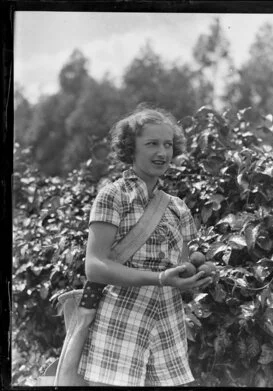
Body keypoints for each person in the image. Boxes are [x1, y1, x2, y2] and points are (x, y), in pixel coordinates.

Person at [77, 107, 213, 387]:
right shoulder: (113, 196)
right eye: (151, 144)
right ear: (131, 148)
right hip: (120, 324)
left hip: (167, 327)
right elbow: (95, 266)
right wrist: (160, 279)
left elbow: (182, 270)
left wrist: (197, 278)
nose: (162, 152)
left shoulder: (178, 208)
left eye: (167, 144)